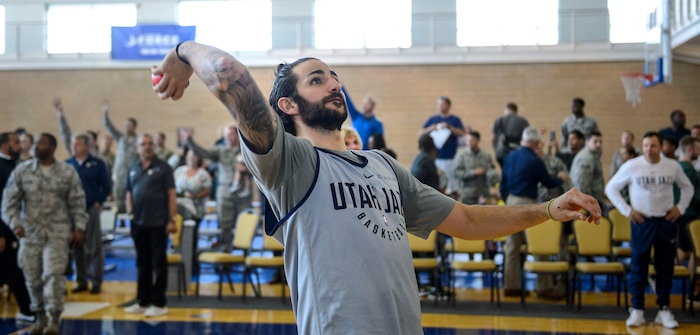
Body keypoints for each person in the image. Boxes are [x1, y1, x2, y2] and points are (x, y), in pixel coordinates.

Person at [151, 41, 601, 334]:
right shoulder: (289, 161)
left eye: (334, 77)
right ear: (288, 104)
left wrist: (546, 209)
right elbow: (231, 75)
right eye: (317, 79)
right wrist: (182, 52)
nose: (334, 84)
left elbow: (464, 219)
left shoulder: (383, 164)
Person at [605, 131, 694, 329]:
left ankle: (663, 309)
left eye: (653, 145)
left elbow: (688, 188)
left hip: (665, 221)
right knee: (639, 265)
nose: (649, 149)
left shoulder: (672, 166)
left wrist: (680, 208)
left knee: (665, 267)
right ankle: (637, 309)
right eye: (645, 145)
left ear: (660, 147)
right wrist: (627, 210)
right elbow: (611, 188)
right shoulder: (632, 165)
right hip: (641, 222)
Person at [2, 133, 87, 335]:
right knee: (32, 278)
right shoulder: (22, 171)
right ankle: (39, 314)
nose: (36, 146)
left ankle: (54, 317)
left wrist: (79, 227)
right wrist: (15, 224)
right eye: (36, 143)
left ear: (52, 147)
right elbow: (8, 203)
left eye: (41, 143)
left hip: (57, 233)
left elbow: (77, 201)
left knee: (53, 276)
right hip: (29, 235)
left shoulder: (67, 172)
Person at [500, 126, 568, 298]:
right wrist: (560, 178)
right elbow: (548, 182)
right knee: (539, 245)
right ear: (537, 143)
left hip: (510, 201)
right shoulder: (534, 159)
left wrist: (508, 199)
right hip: (527, 203)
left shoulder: (510, 156)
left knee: (512, 247)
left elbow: (503, 183)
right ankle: (543, 286)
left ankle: (511, 286)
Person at [123, 133, 177, 318]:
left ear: (154, 147)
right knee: (142, 263)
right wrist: (130, 213)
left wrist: (171, 219)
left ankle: (159, 303)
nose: (146, 147)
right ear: (137, 148)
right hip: (138, 223)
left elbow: (171, 194)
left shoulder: (164, 167)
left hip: (158, 223)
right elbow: (128, 192)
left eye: (149, 144)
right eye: (142, 144)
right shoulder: (132, 168)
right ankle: (143, 300)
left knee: (158, 264)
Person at [64, 133, 111, 294]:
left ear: (86, 146)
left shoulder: (98, 164)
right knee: (77, 246)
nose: (74, 147)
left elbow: (106, 186)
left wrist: (99, 200)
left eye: (77, 144)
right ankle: (81, 280)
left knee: (95, 246)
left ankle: (97, 282)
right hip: (72, 210)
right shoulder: (67, 164)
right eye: (72, 144)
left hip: (90, 208)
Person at [187, 124, 245, 251]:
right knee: (225, 225)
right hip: (225, 192)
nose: (228, 138)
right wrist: (191, 142)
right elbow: (202, 153)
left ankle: (244, 256)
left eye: (231, 134)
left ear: (237, 134)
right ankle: (225, 255)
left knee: (244, 226)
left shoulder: (246, 150)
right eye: (226, 135)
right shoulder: (221, 151)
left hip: (243, 192)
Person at [0, 132, 34, 323]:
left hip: (17, 227)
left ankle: (28, 308)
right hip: (5, 230)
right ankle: (26, 309)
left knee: (18, 268)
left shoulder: (15, 165)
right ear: (5, 145)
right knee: (13, 270)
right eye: (15, 142)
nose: (20, 145)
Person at [419, 96, 466, 196]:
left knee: (453, 186)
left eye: (442, 104)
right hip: (436, 158)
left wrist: (449, 127)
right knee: (439, 184)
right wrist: (433, 128)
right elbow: (421, 132)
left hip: (451, 157)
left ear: (448, 106)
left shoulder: (454, 119)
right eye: (439, 105)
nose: (440, 107)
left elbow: (462, 133)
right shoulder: (433, 119)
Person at [674, 136, 700, 304]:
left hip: (681, 215)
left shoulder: (675, 167)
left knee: (686, 252)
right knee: (693, 254)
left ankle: (657, 271)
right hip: (689, 217)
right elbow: (695, 197)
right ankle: (693, 291)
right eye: (698, 149)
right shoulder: (689, 170)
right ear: (690, 150)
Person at [103, 101, 139, 213]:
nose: (128, 127)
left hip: (132, 175)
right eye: (126, 125)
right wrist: (105, 113)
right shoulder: (121, 138)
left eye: (130, 125)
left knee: (131, 200)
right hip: (119, 175)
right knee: (118, 202)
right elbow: (109, 127)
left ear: (134, 127)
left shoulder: (139, 141)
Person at [453, 131, 497, 205]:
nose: (469, 142)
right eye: (467, 140)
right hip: (468, 195)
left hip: (484, 193)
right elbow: (456, 173)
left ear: (478, 141)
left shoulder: (485, 155)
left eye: (472, 140)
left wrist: (493, 178)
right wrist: (473, 172)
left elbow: (491, 170)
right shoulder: (461, 155)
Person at [570, 131, 608, 214]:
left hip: (592, 200)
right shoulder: (586, 158)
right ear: (587, 142)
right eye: (595, 141)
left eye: (600, 142)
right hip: (588, 203)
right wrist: (589, 205)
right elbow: (583, 184)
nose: (598, 144)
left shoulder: (593, 156)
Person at [173, 150, 212, 218]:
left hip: (196, 205)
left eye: (194, 157)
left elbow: (207, 190)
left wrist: (195, 195)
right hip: (178, 203)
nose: (192, 159)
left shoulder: (203, 174)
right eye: (190, 156)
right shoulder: (179, 171)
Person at [492, 102, 529, 167]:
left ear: (506, 109)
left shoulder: (499, 120)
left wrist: (496, 151)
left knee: (505, 172)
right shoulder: (523, 121)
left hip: (501, 153)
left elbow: (493, 139)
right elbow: (527, 139)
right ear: (516, 111)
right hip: (517, 152)